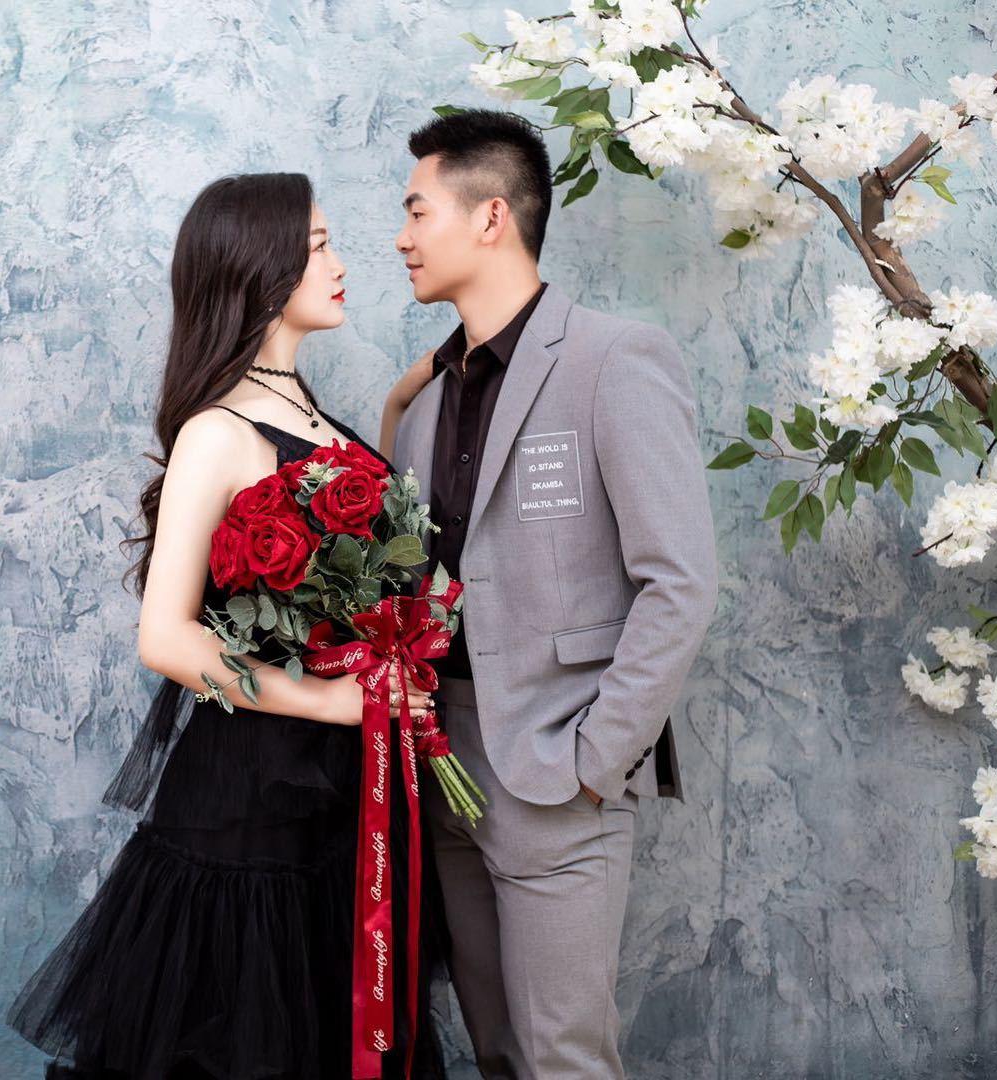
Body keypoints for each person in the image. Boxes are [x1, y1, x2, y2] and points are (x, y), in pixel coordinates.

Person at [5, 173, 450, 1079]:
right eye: (318, 246)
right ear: (261, 266)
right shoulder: (217, 431)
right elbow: (166, 638)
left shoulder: (315, 415)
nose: (339, 263)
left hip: (339, 793)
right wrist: (335, 703)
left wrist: (403, 414)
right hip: (252, 797)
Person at [381, 109, 720, 1079]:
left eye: (416, 211)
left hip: (557, 768)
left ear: (490, 216)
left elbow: (679, 580)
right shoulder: (426, 401)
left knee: (561, 1058)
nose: (401, 238)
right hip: (444, 763)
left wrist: (594, 760)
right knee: (493, 1049)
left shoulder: (615, 358)